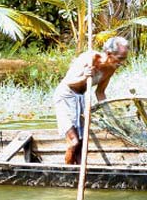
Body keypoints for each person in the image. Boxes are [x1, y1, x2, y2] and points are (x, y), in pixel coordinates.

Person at [54, 36, 129, 165]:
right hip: (65, 96)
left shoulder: (111, 68)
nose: (122, 63)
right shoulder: (89, 58)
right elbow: (68, 82)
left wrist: (109, 115)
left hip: (81, 98)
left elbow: (100, 92)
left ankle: (78, 173)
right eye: (120, 58)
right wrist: (84, 77)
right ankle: (67, 175)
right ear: (109, 54)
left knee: (82, 145)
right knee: (74, 142)